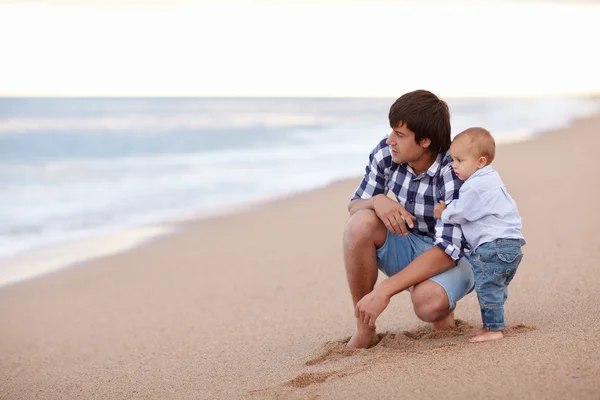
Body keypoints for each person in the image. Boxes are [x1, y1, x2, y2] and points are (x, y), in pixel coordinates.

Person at [344, 90, 474, 349]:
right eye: (392, 131)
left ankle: (442, 305)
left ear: (425, 141)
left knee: (428, 303)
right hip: (412, 241)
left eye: (400, 135)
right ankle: (365, 327)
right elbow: (354, 206)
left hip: (459, 255)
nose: (391, 140)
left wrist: (384, 290)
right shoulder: (387, 152)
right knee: (360, 224)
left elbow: (449, 249)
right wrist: (376, 201)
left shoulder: (454, 170)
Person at [433, 127, 525, 343]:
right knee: (496, 287)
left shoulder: (474, 186)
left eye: (459, 160)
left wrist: (443, 212)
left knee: (487, 287)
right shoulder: (492, 179)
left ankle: (493, 329)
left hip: (492, 246)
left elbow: (463, 212)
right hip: (511, 246)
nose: (453, 165)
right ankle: (495, 321)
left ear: (480, 161)